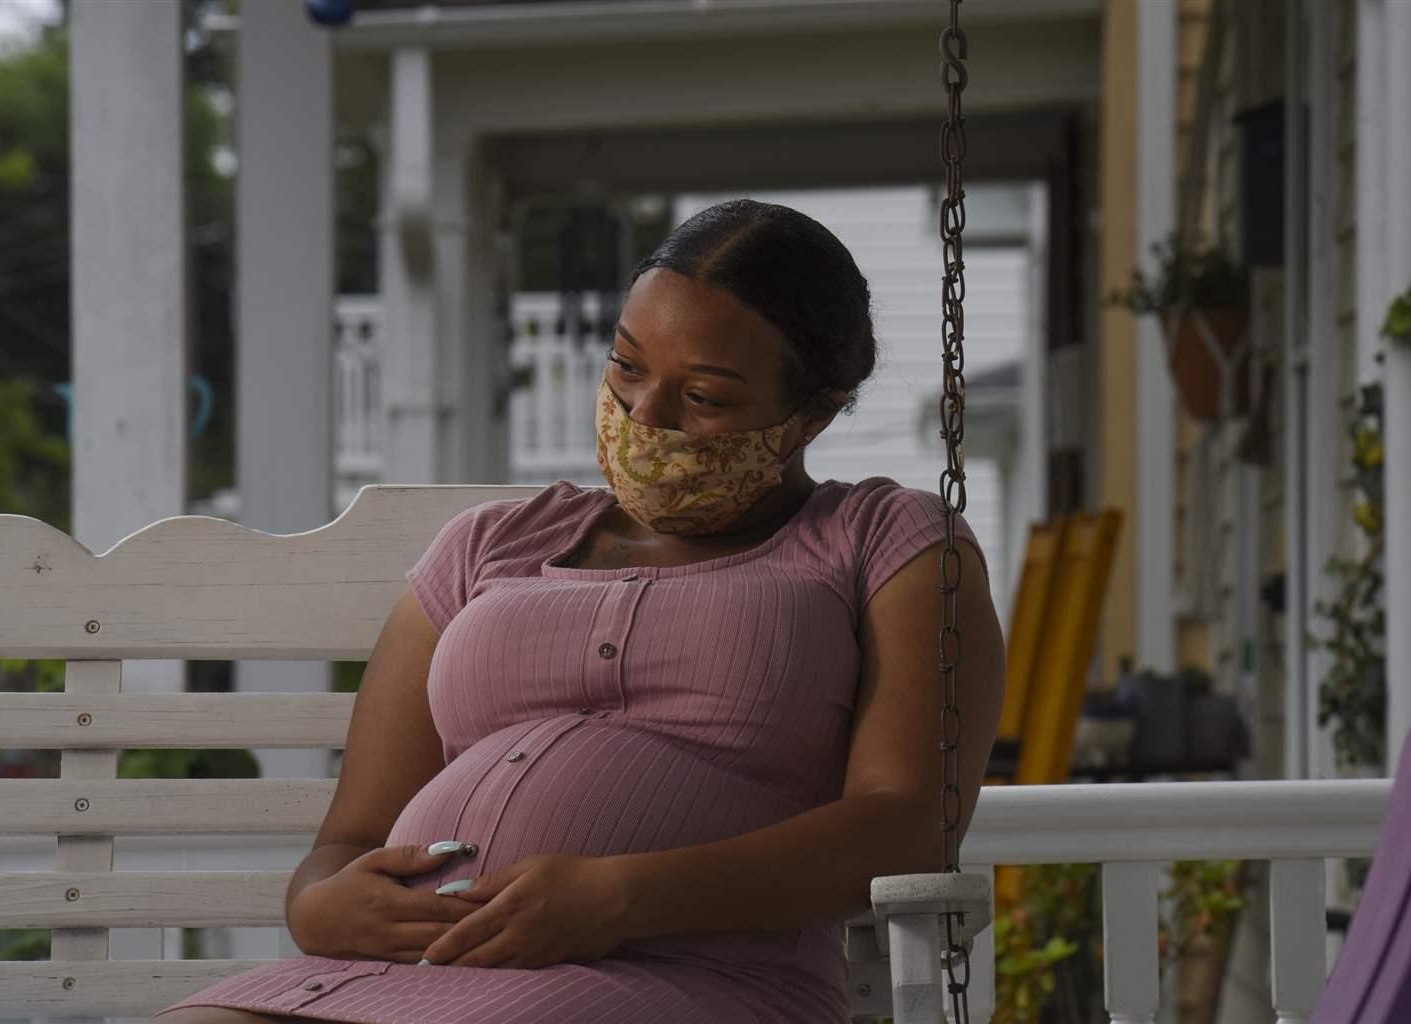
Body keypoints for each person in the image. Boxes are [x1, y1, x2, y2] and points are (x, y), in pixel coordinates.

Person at [155, 199, 1006, 1024]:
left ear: (809, 413)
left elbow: (908, 825)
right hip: (380, 975)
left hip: (682, 978)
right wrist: (317, 907)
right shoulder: (488, 546)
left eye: (704, 396)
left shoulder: (884, 544)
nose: (645, 415)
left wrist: (621, 896)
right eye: (628, 367)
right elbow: (351, 837)